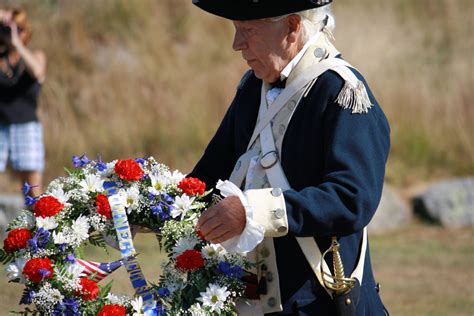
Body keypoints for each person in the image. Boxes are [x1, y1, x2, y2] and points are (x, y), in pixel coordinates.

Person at [191, 0, 390, 315]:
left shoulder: (343, 91)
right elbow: (206, 178)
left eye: (249, 30)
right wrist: (140, 200)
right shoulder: (252, 89)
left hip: (318, 305)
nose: (236, 44)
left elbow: (352, 199)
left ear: (292, 27)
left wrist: (255, 210)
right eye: (236, 29)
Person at [0, 7, 46, 198]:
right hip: (1, 125)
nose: (13, 32)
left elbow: (38, 72)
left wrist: (17, 44)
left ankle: (38, 227)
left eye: (19, 28)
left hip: (26, 126)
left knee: (32, 190)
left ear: (27, 31)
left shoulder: (36, 56)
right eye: (10, 28)